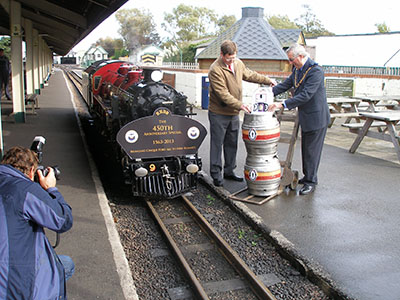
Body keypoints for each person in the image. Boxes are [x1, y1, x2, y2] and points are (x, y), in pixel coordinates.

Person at [0, 146, 74, 299]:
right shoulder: (25, 189)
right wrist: (51, 189)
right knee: (64, 266)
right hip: (13, 281)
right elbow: (63, 220)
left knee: (66, 263)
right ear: (32, 170)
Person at [208, 40, 277, 187]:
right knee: (217, 144)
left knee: (232, 143)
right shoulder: (215, 69)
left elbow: (249, 74)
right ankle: (215, 174)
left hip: (233, 113)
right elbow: (223, 94)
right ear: (221, 54)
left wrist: (267, 80)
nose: (231, 60)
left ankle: (229, 171)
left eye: (233, 57)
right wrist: (241, 105)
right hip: (219, 112)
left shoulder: (238, 63)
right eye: (228, 58)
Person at [268, 43, 330, 195]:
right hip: (306, 116)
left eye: (291, 60)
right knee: (306, 149)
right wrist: (267, 93)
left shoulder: (315, 71)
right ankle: (307, 176)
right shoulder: (297, 69)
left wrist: (282, 103)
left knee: (312, 151)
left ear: (301, 56)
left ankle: (311, 181)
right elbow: (286, 85)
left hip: (317, 117)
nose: (290, 63)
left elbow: (306, 95)